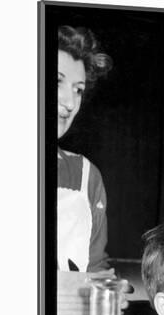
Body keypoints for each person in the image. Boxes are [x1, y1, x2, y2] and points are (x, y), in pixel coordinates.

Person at [57, 25, 113, 273]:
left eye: (77, 89)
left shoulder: (86, 175)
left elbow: (95, 268)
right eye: (56, 82)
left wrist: (109, 290)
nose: (69, 103)